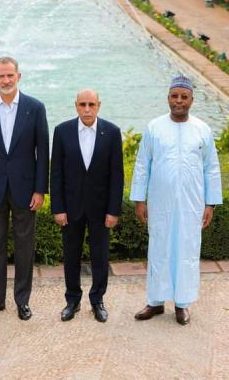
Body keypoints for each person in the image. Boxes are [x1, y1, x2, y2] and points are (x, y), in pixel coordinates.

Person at [130, 75, 222, 325]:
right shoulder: (154, 128)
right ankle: (155, 302)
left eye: (184, 97)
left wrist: (210, 204)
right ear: (168, 98)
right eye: (174, 96)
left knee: (187, 251)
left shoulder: (202, 129)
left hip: (192, 204)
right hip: (160, 203)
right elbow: (142, 165)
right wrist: (139, 199)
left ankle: (182, 304)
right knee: (158, 250)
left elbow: (211, 168)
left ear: (192, 100)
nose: (178, 101)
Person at [0, 56, 49, 320]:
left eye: (10, 75)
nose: (6, 80)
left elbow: (43, 151)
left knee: (25, 246)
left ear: (18, 76)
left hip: (25, 189)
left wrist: (40, 189)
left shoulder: (35, 107)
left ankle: (22, 301)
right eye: (1, 76)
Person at [50, 89, 124, 323]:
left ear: (99, 105)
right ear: (76, 106)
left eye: (91, 104)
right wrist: (58, 208)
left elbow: (117, 175)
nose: (87, 109)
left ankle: (97, 300)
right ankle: (72, 301)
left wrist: (113, 210)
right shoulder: (62, 131)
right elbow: (56, 173)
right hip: (71, 208)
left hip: (101, 209)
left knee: (100, 256)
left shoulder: (112, 132)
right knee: (70, 255)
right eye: (82, 104)